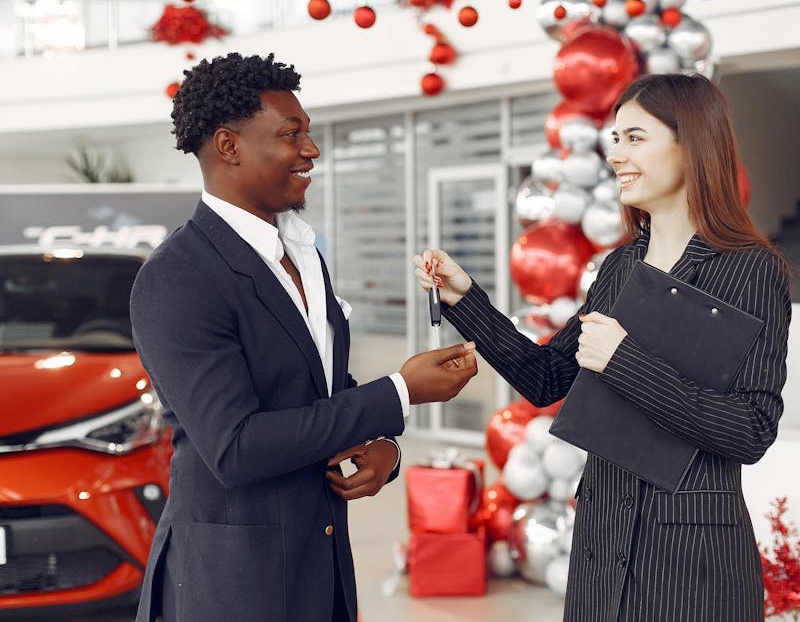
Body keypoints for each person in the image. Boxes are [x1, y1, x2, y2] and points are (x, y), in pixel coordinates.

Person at [414, 73, 791, 622]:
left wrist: (624, 362)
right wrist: (464, 298)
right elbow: (546, 378)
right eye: (615, 139)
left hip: (693, 561)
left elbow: (751, 430)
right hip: (599, 545)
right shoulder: (619, 268)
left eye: (635, 138)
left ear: (692, 145)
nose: (616, 154)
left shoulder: (752, 270)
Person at [130, 52, 477, 622]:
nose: (311, 151)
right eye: (292, 135)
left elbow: (324, 390)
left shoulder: (303, 253)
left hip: (323, 568)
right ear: (229, 146)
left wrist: (384, 451)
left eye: (308, 134)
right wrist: (399, 393)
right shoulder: (177, 277)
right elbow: (235, 448)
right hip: (234, 586)